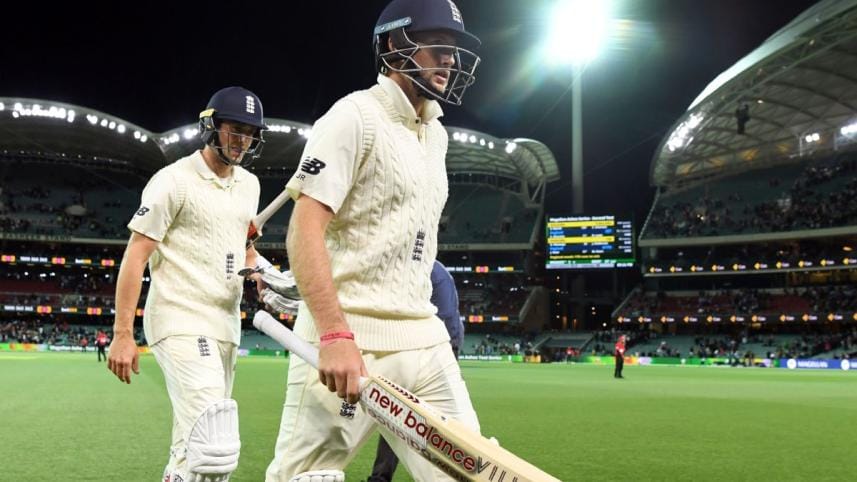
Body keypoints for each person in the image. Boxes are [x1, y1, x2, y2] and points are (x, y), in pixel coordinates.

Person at [265, 0, 482, 480]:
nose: (449, 58)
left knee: (472, 471)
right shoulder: (354, 116)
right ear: (394, 44)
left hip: (425, 338)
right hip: (354, 338)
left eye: (454, 49)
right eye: (437, 45)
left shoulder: (437, 135)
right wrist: (335, 334)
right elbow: (304, 227)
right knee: (305, 477)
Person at [106, 86, 267, 482]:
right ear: (211, 128)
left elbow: (244, 246)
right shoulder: (172, 181)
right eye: (234, 130)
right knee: (215, 441)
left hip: (225, 325)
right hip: (179, 318)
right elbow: (135, 256)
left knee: (189, 449)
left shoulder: (250, 185)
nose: (242, 141)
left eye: (250, 133)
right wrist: (121, 334)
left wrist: (263, 274)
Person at [367, 260, 463, 482]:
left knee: (400, 413)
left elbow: (444, 316)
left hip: (431, 346)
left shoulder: (421, 269)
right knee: (404, 414)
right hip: (438, 343)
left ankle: (384, 476)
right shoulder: (436, 270)